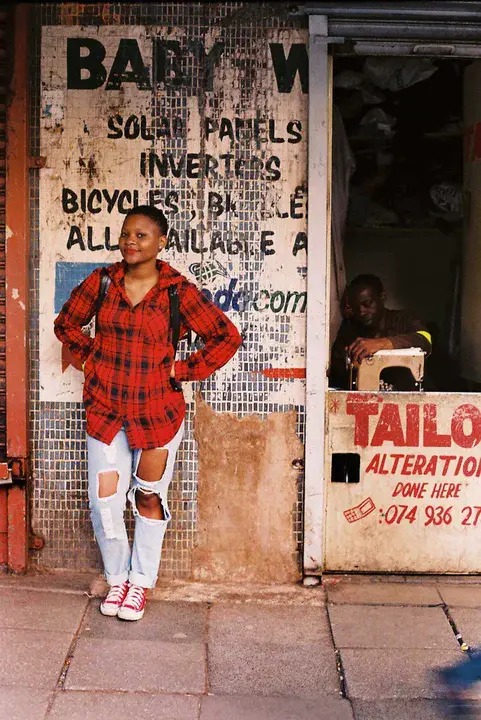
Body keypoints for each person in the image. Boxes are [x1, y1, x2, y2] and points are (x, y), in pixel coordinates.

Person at [54, 205, 242, 621]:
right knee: (104, 501)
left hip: (158, 410)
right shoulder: (102, 283)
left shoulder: (177, 291)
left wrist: (183, 369)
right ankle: (117, 579)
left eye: (141, 235)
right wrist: (92, 358)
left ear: (162, 243)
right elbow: (66, 324)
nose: (130, 242)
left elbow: (226, 336)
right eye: (125, 234)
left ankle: (140, 584)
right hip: (106, 408)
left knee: (148, 495)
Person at [329, 274, 432, 390]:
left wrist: (382, 344)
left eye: (367, 304)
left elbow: (424, 340)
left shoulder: (405, 319)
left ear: (382, 297)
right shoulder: (349, 328)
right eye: (356, 308)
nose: (362, 312)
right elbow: (336, 370)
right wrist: (351, 366)